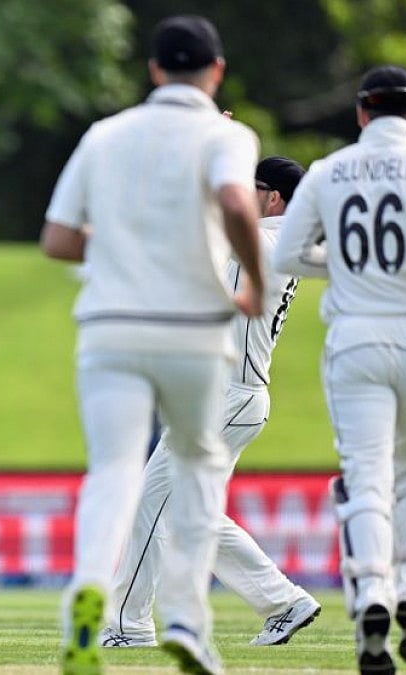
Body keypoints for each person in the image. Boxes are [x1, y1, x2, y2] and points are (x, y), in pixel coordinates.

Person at [41, 15, 264, 675]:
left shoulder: (103, 135)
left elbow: (58, 240)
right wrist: (252, 280)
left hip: (109, 326)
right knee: (196, 467)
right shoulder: (227, 135)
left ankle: (89, 592)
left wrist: (121, 243)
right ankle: (189, 621)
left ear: (154, 69)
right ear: (216, 71)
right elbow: (237, 202)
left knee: (113, 470)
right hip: (193, 330)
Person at [273, 65, 406, 675]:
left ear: (362, 112)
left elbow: (287, 253)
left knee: (365, 476)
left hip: (356, 336)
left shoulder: (329, 170)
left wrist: (346, 267)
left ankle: (371, 595)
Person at [99, 157, 321, 651]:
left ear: (274, 198)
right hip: (232, 396)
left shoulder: (266, 240)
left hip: (230, 397)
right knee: (189, 512)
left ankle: (128, 625)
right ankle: (283, 602)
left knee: (153, 500)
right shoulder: (275, 242)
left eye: (251, 185)